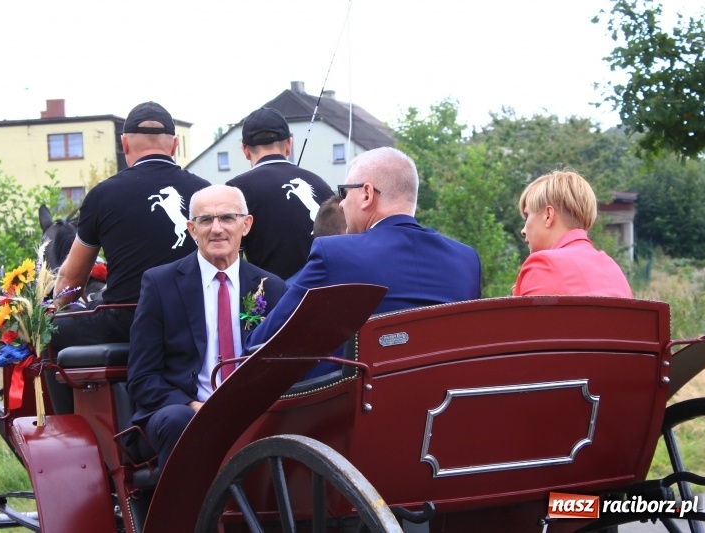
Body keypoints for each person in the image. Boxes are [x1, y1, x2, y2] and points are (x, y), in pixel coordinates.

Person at [47, 101, 211, 412]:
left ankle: (67, 423)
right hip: (197, 318)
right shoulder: (205, 192)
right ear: (175, 145)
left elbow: (71, 280)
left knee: (50, 333)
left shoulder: (102, 195)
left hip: (127, 322)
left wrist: (53, 308)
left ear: (124, 144)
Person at [245, 146, 482, 353]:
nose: (343, 203)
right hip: (444, 401)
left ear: (367, 194)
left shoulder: (335, 254)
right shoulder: (466, 259)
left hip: (357, 401)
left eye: (345, 193)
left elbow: (267, 341)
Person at [127, 184, 286, 468]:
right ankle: (183, 512)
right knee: (180, 421)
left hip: (253, 409)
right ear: (191, 229)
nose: (217, 229)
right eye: (205, 220)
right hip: (183, 410)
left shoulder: (271, 287)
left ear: (246, 225)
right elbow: (142, 377)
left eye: (227, 218)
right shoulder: (160, 284)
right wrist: (194, 407)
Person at [226, 107, 334, 280]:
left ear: (245, 150)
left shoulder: (236, 190)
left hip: (271, 300)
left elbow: (228, 256)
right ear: (289, 144)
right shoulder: (321, 184)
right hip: (324, 295)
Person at [512, 170, 632, 297]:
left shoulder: (542, 265)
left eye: (527, 216)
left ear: (548, 216)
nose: (523, 231)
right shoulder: (613, 269)